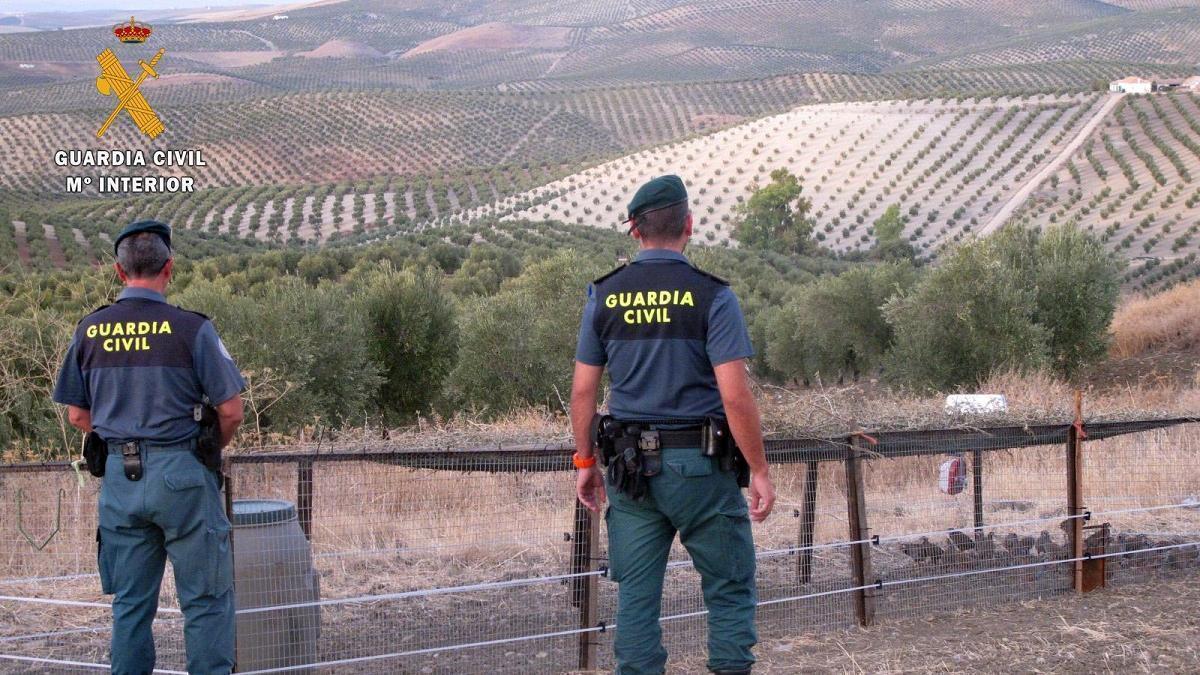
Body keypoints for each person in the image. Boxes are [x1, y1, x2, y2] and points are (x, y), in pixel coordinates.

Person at [570, 175, 776, 675]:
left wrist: (584, 461)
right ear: (688, 225)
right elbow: (734, 395)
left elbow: (583, 392)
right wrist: (760, 470)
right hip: (702, 469)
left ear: (635, 232)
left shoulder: (605, 295)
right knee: (728, 589)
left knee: (636, 600)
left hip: (630, 472)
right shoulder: (713, 297)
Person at [53, 220, 245, 675]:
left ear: (120, 273)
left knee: (131, 605)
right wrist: (206, 452)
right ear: (169, 268)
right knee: (206, 600)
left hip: (120, 480)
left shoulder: (90, 330)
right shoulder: (191, 329)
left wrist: (121, 431)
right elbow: (232, 409)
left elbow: (78, 416)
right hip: (182, 475)